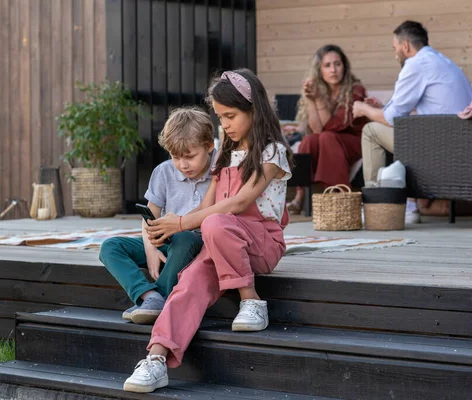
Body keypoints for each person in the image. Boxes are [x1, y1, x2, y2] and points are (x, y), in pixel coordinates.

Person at [122, 68, 293, 393]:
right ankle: (156, 359)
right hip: (220, 243)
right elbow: (206, 209)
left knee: (215, 223)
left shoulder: (272, 153)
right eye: (219, 117)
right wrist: (166, 227)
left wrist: (184, 223)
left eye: (230, 116)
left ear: (253, 111)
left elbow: (241, 202)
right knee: (188, 285)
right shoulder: (224, 157)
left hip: (261, 245)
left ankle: (251, 299)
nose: (224, 125)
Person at [99, 107, 216, 324]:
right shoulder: (164, 172)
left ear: (209, 145)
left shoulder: (221, 168)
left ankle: (159, 297)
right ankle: (149, 296)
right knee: (110, 247)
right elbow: (149, 217)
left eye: (190, 156)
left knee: (184, 237)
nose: (182, 164)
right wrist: (150, 250)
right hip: (167, 243)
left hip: (199, 243)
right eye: (175, 157)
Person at [353, 21, 472, 223]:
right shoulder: (443, 62)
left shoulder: (416, 64)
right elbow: (402, 112)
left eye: (395, 48)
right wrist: (380, 107)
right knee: (394, 129)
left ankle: (379, 205)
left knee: (371, 131)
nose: (395, 54)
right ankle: (407, 205)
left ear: (406, 46)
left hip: (438, 147)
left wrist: (364, 109)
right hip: (460, 145)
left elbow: (391, 119)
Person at [287, 44, 368, 214]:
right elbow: (317, 130)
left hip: (354, 141)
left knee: (327, 137)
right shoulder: (318, 89)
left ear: (344, 66)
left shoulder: (355, 90)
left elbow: (334, 125)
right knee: (310, 140)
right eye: (327, 65)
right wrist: (310, 99)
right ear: (320, 70)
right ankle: (301, 196)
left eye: (337, 64)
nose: (333, 70)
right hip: (330, 141)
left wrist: (318, 100)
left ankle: (339, 195)